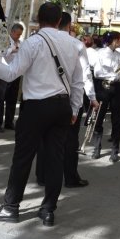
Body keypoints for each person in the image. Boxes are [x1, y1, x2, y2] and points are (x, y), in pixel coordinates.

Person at [0, 3, 83, 227]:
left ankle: (10, 208)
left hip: (36, 106)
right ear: (59, 21)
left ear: (38, 19)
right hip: (62, 106)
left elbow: (10, 74)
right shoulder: (74, 44)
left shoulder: (33, 42)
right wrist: (75, 108)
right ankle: (48, 210)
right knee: (55, 159)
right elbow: (78, 82)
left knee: (23, 157)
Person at [36, 12, 98, 188]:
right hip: (67, 98)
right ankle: (70, 177)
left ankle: (42, 175)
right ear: (69, 25)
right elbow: (84, 75)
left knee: (44, 138)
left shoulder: (39, 41)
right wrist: (91, 97)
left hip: (42, 98)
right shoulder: (76, 44)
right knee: (70, 139)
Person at [92, 31, 120, 162]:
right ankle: (96, 148)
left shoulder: (119, 55)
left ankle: (115, 150)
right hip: (103, 87)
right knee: (99, 116)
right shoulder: (100, 53)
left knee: (116, 118)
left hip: (117, 87)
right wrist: (113, 75)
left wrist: (114, 75)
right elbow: (98, 72)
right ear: (115, 40)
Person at [0, 23, 24, 132]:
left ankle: (9, 122)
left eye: (20, 35)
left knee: (12, 98)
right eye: (18, 34)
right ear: (12, 32)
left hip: (15, 73)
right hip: (4, 72)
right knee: (0, 99)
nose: (19, 37)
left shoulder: (20, 43)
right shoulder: (4, 41)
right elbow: (2, 53)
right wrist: (13, 50)